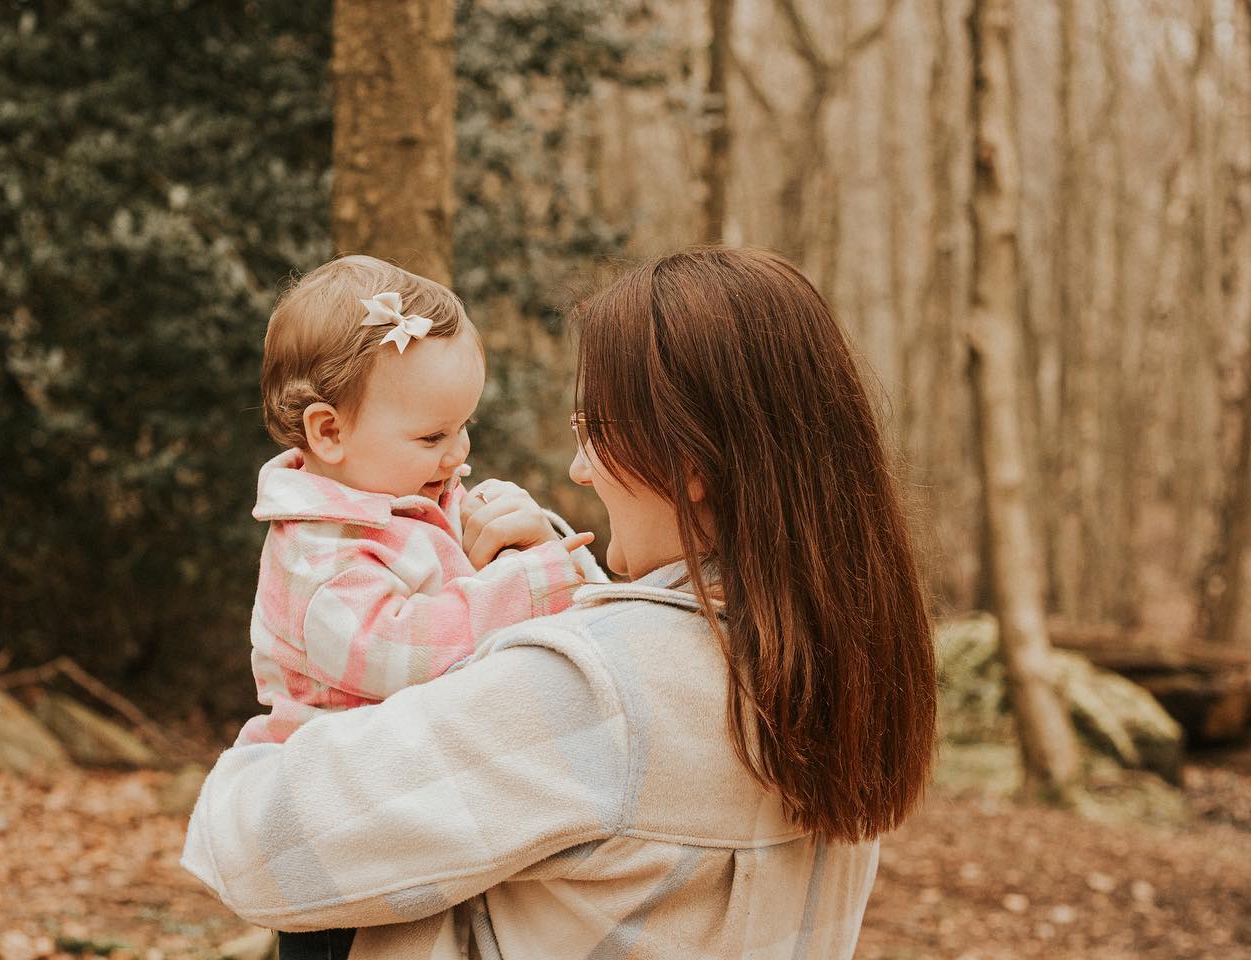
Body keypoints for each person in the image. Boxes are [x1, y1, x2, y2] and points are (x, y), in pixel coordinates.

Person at [184, 247, 938, 959]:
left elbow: (262, 852)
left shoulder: (599, 692)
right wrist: (531, 560)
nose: (578, 470)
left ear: (689, 466)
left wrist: (254, 763)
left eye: (598, 433)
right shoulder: (835, 667)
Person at [235, 254, 599, 959]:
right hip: (335, 824)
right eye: (432, 437)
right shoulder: (319, 549)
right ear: (328, 432)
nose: (458, 454)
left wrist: (534, 546)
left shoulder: (407, 501)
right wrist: (524, 587)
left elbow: (575, 602)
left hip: (405, 807)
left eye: (463, 427)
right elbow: (392, 652)